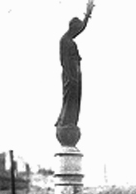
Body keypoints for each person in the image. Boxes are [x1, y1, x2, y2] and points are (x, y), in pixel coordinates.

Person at [55, 0, 94, 135]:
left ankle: (70, 122)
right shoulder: (65, 41)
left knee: (75, 101)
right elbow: (64, 62)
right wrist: (71, 77)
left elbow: (82, 27)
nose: (78, 32)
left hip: (75, 75)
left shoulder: (69, 39)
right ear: (72, 29)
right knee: (69, 99)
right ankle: (65, 122)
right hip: (70, 75)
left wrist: (88, 14)